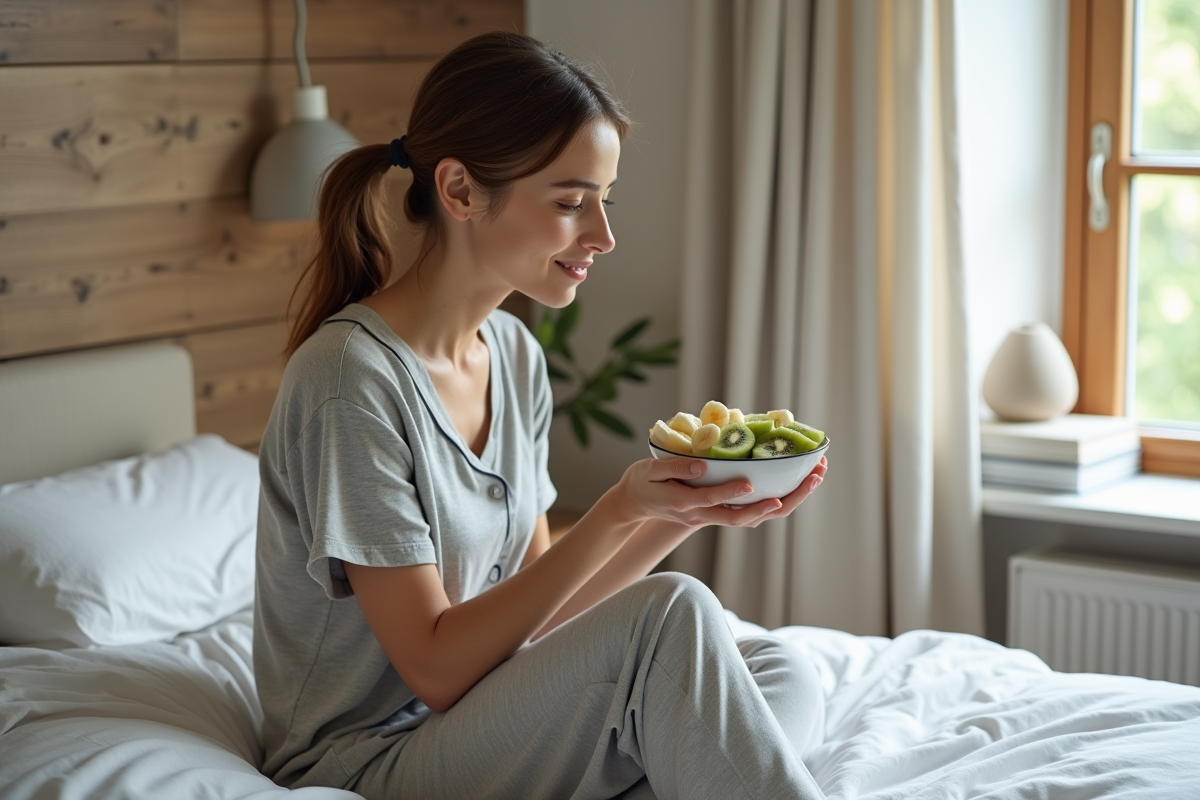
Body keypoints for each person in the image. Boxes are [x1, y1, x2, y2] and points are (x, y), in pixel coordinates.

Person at [254, 30, 830, 800]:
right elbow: (435, 669)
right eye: (570, 203)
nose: (604, 236)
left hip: (493, 716)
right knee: (674, 614)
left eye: (604, 201)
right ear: (459, 191)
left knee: (781, 666)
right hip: (372, 760)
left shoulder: (514, 353)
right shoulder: (348, 381)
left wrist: (686, 512)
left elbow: (536, 609)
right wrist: (619, 505)